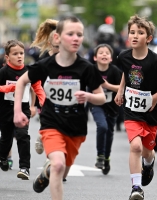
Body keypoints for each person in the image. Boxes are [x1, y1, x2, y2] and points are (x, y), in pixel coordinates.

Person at [13, 16, 106, 200]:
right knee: (57, 164)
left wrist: (88, 96)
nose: (76, 38)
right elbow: (22, 82)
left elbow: (101, 97)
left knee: (61, 169)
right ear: (57, 38)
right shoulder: (46, 65)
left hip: (76, 128)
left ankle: (46, 174)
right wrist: (18, 110)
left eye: (79, 34)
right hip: (51, 123)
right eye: (70, 34)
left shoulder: (86, 68)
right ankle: (51, 170)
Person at [114, 15, 157, 200]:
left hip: (151, 112)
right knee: (135, 146)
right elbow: (127, 73)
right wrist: (120, 90)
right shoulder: (124, 56)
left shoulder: (156, 60)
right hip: (131, 110)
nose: (134, 36)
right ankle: (136, 187)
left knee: (147, 150)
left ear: (148, 38)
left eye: (140, 33)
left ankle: (148, 164)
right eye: (132, 32)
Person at [0, 40, 39, 180]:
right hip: (5, 109)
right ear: (7, 57)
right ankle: (3, 158)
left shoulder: (28, 71)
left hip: (23, 109)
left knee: (22, 135)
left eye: (21, 53)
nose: (19, 56)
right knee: (6, 139)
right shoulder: (3, 72)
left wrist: (32, 106)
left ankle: (24, 167)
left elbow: (34, 89)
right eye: (15, 54)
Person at [90, 43, 122, 175]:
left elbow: (122, 88)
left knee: (109, 132)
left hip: (112, 106)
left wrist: (107, 85)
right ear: (95, 58)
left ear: (111, 58)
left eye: (107, 53)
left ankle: (107, 158)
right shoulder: (91, 70)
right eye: (101, 52)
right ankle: (100, 156)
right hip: (97, 105)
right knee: (102, 126)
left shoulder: (115, 71)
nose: (104, 54)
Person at [30, 19, 59, 156]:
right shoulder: (43, 63)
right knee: (49, 128)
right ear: (50, 44)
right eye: (57, 47)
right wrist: (34, 103)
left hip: (63, 102)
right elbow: (34, 83)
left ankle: (53, 161)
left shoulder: (70, 61)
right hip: (46, 101)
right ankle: (42, 134)